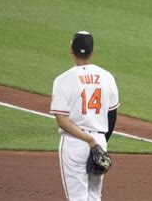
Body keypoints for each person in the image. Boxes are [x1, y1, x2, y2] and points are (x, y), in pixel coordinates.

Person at [50, 31, 120, 199]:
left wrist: (88, 141)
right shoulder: (107, 77)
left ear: (71, 50)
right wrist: (98, 143)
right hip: (100, 141)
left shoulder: (63, 80)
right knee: (94, 196)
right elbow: (112, 116)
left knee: (77, 198)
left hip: (75, 143)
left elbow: (62, 121)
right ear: (93, 51)